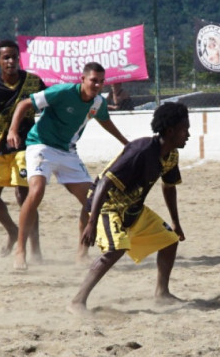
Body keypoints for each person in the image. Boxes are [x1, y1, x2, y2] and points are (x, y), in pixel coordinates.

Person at [69, 102, 191, 315]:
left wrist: (176, 222)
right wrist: (91, 222)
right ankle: (77, 302)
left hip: (133, 207)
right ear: (170, 131)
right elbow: (105, 182)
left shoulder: (171, 155)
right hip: (107, 206)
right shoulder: (141, 150)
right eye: (184, 129)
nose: (188, 134)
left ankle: (162, 293)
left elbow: (169, 188)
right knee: (116, 248)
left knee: (170, 240)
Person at [7, 61, 129, 271]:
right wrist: (12, 130)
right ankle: (21, 250)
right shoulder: (63, 92)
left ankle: (81, 253)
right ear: (82, 79)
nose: (98, 85)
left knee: (92, 200)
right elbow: (24, 104)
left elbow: (105, 121)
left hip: (67, 151)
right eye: (93, 80)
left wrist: (126, 143)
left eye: (101, 81)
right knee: (36, 192)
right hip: (41, 145)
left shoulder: (98, 102)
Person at [0, 39, 45, 257]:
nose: (11, 61)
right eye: (6, 57)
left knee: (24, 197)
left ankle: (35, 249)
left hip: (28, 147)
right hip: (0, 148)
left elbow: (49, 105)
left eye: (14, 57)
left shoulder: (33, 82)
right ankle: (13, 231)